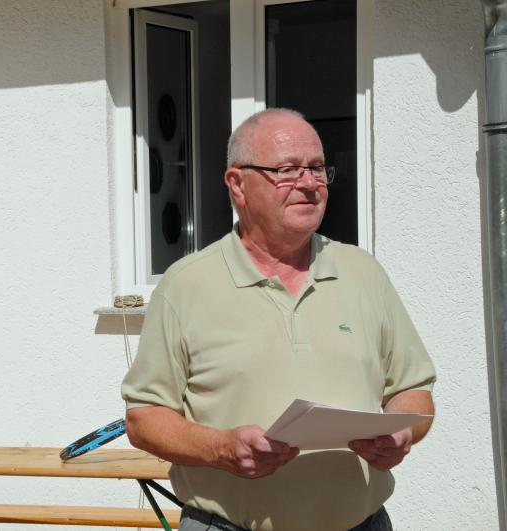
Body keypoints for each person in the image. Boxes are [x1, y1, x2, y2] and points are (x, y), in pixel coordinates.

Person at [121, 108, 436, 531]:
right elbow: (144, 419)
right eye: (287, 170)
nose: (309, 183)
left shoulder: (362, 272)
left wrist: (402, 435)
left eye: (317, 168)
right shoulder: (186, 284)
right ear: (238, 184)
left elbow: (413, 391)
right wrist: (220, 448)